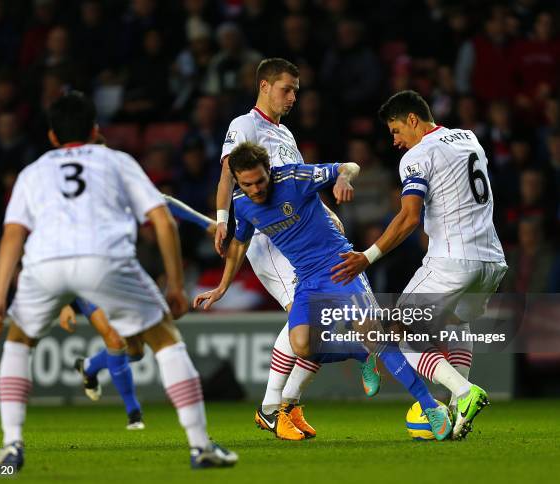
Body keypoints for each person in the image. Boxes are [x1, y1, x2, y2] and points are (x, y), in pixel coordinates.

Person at [0, 92, 237, 471]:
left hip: (44, 264)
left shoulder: (33, 171)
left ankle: (10, 446)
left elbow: (12, 235)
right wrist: (174, 284)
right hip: (105, 259)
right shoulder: (116, 160)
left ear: (53, 136)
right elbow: (163, 219)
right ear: (95, 130)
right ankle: (200, 446)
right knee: (164, 339)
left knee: (19, 342)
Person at [195, 141, 453, 441]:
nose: (256, 189)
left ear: (270, 171)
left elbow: (349, 166)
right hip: (306, 279)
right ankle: (360, 355)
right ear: (238, 182)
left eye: (260, 181)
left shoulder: (293, 178)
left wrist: (342, 178)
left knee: (374, 335)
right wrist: (223, 286)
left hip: (341, 267)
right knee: (303, 344)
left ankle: (429, 405)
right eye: (247, 184)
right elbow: (240, 243)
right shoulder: (242, 202)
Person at [214, 58, 378, 441]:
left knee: (319, 327)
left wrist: (325, 211)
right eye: (286, 89)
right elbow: (227, 174)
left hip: (305, 238)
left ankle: (287, 405)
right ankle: (273, 408)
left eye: (296, 92)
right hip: (270, 241)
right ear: (265, 85)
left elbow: (299, 183)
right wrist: (223, 218)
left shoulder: (285, 135)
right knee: (303, 324)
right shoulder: (244, 125)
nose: (292, 98)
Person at [330, 90, 508, 439]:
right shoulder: (469, 138)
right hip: (491, 260)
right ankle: (458, 412)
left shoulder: (417, 156)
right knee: (456, 322)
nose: (395, 140)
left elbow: (409, 217)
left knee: (397, 331)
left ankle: (463, 392)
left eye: (396, 130)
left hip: (452, 259)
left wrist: (367, 256)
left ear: (413, 120)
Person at [58, 195, 216, 430]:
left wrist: (207, 223)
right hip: (86, 285)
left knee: (135, 350)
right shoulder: (70, 214)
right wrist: (65, 303)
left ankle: (89, 366)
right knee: (116, 341)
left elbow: (163, 203)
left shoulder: (118, 190)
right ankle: (134, 413)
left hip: (122, 279)